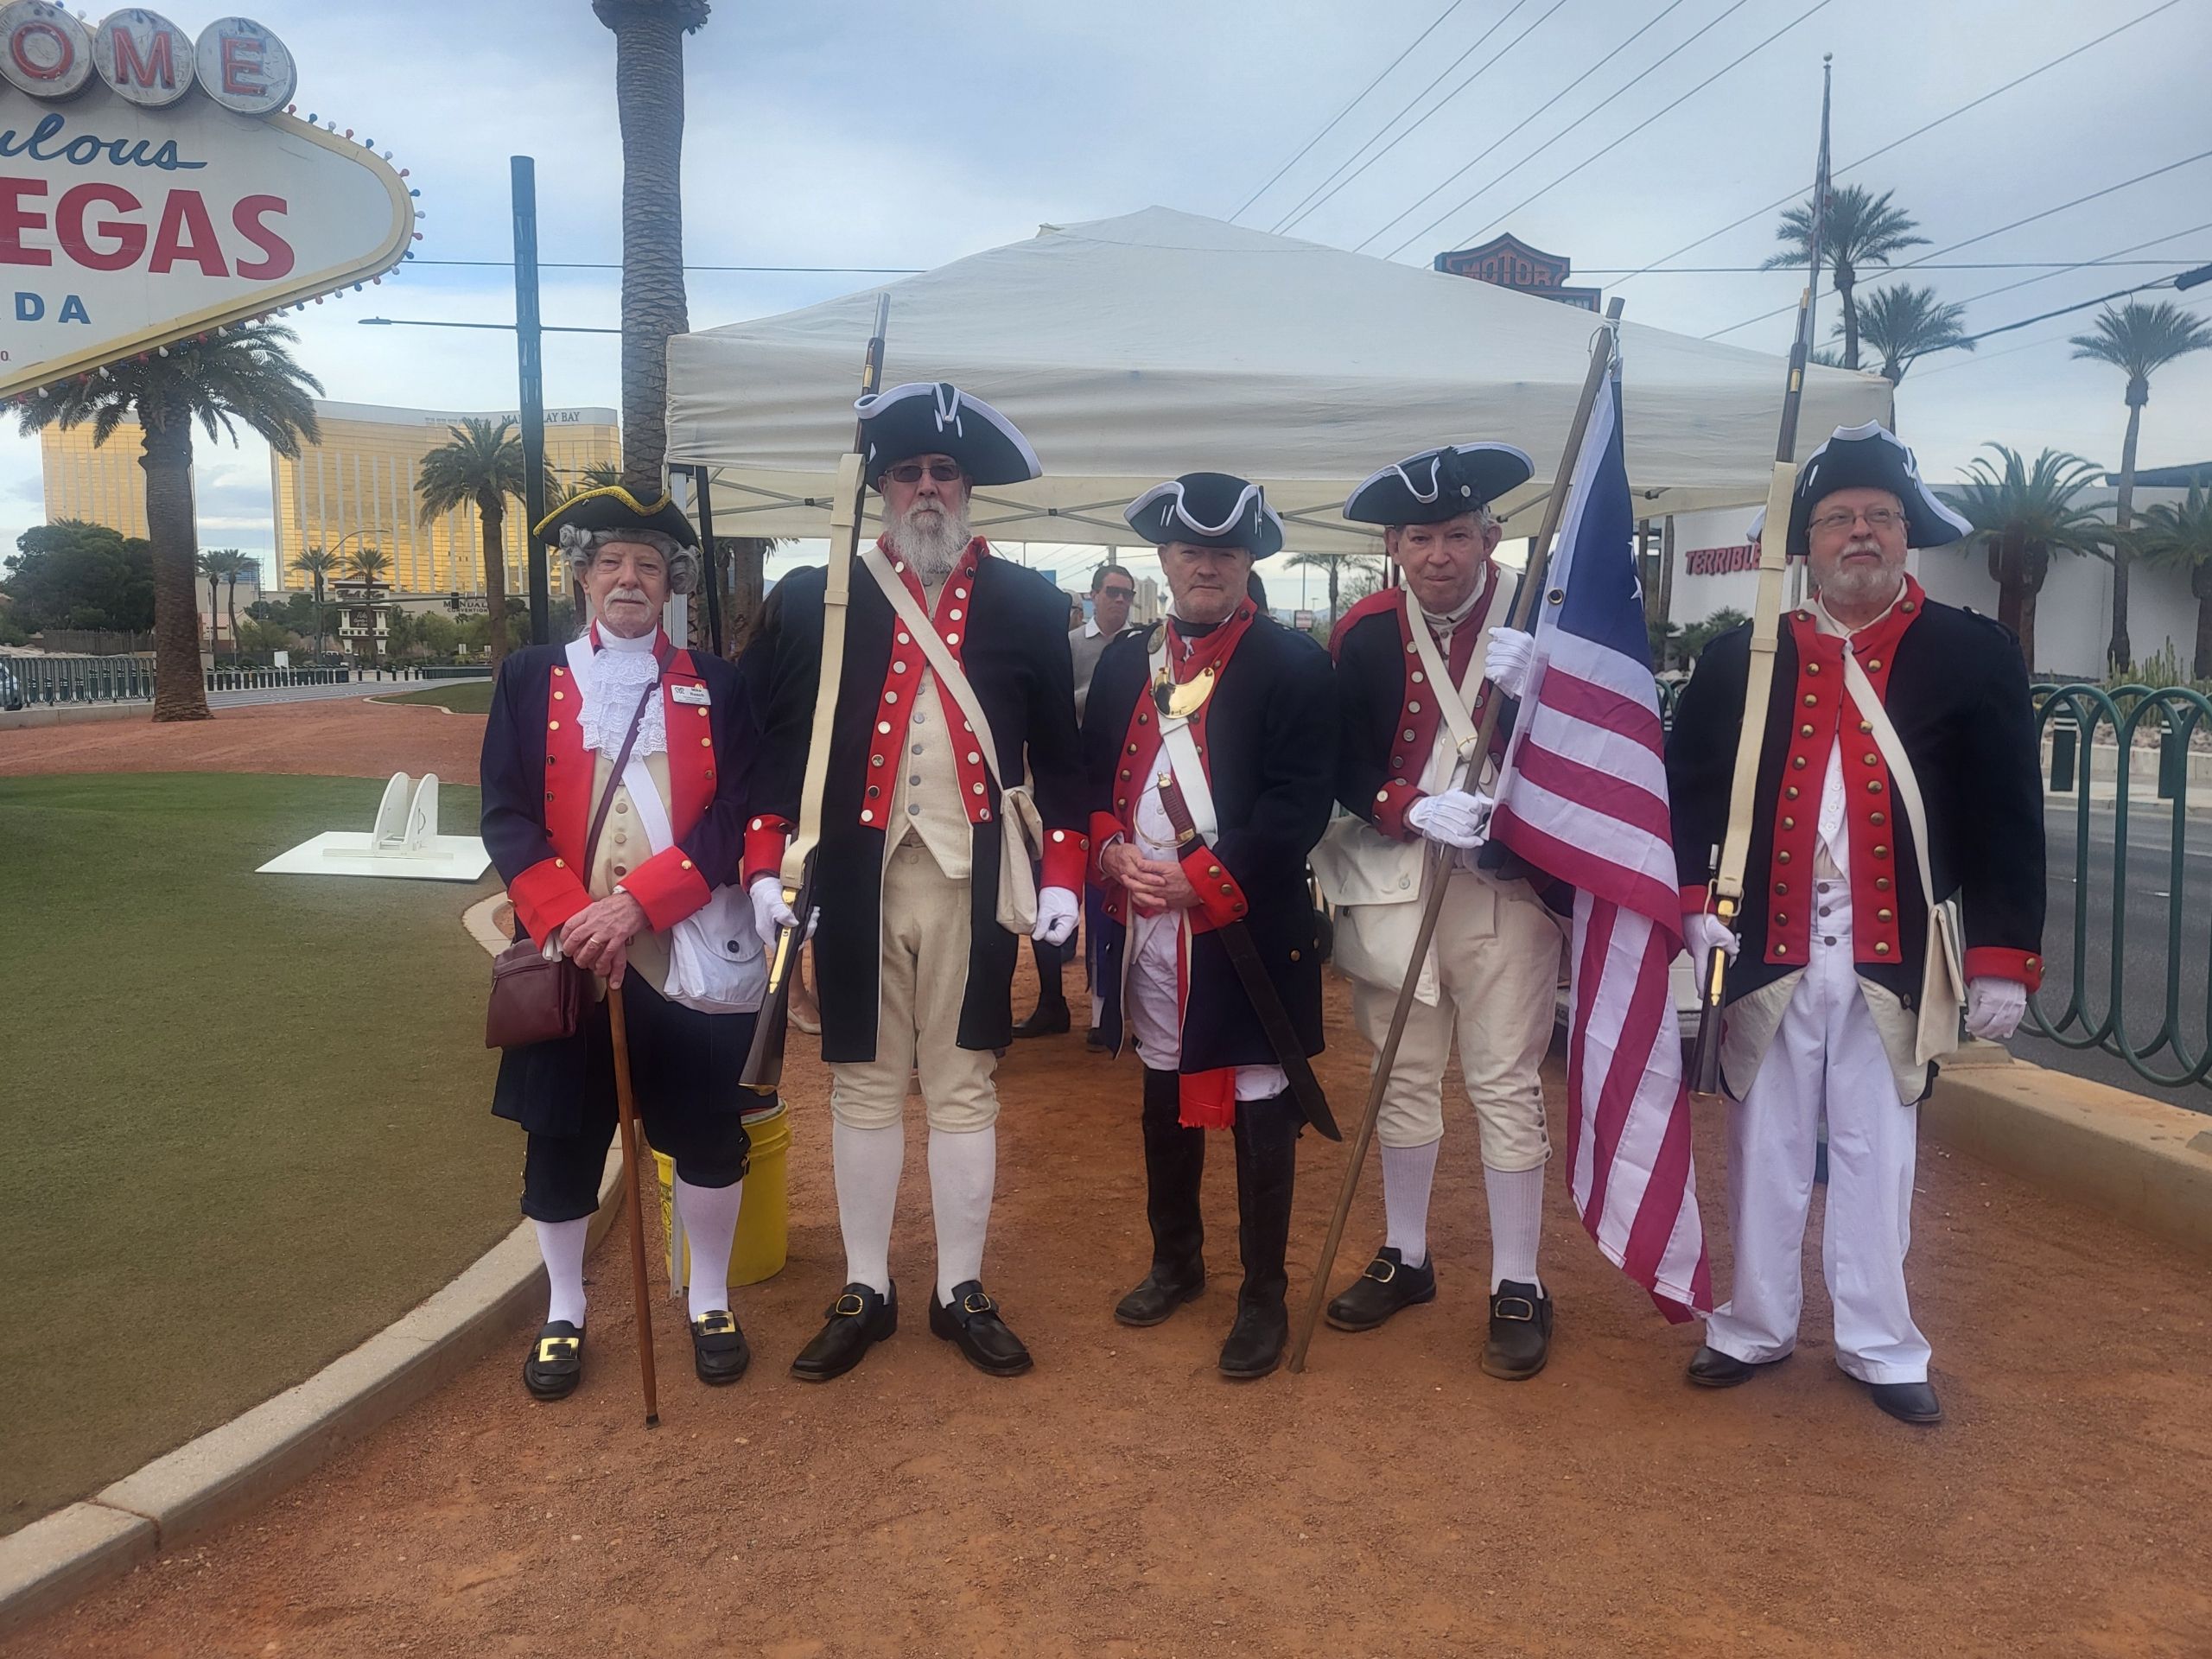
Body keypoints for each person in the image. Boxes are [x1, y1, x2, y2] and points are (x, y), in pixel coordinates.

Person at [1666, 422, 2045, 1426]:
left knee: (1879, 1149)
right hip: (1769, 941)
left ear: (1907, 533)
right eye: (1838, 520)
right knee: (1764, 1143)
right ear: (1805, 544)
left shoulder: (1972, 654)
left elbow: (2009, 814)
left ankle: (1881, 1344)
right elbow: (1692, 793)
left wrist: (2004, 955)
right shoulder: (1741, 657)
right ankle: (1752, 1323)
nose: (1860, 535)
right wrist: (1693, 899)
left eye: (1881, 517)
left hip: (1897, 947)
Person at [744, 381, 1088, 1381]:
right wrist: (766, 860)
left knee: (963, 1085)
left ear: (967, 486)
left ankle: (959, 1289)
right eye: (908, 471)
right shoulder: (817, 597)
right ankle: (867, 1286)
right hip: (852, 877)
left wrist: (1061, 873)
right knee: (861, 1083)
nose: (927, 488)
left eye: (944, 471)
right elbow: (773, 746)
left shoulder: (1029, 601)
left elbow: (1061, 759)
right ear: (880, 485)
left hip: (973, 875)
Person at [480, 486, 764, 1400]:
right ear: (582, 580)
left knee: (709, 1138)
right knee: (560, 1142)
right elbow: (507, 816)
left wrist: (638, 907)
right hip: (571, 957)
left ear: (672, 585)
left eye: (649, 566)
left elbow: (735, 817)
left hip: (680, 952)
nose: (630, 580)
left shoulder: (718, 684)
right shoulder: (530, 676)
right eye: (612, 564)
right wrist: (572, 918)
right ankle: (564, 1310)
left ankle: (709, 1298)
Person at [1310, 442, 1567, 1382]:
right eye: (1419, 538)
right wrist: (1405, 806)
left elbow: (1605, 752)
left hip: (1505, 886)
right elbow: (1338, 757)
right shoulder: (1366, 631)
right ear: (1393, 544)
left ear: (1488, 536)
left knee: (1504, 1084)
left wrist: (1549, 690)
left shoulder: (1546, 617)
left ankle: (1517, 1280)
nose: (1438, 556)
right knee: (1400, 1077)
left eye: (1456, 534)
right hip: (1394, 879)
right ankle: (1406, 1254)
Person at [1086, 472, 1338, 1379]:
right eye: (1190, 551)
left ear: (1247, 562)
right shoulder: (1125, 663)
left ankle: (1261, 1296)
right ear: (1162, 559)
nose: (1205, 566)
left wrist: (1203, 880)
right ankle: (1176, 1260)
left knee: (1261, 1101)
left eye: (1224, 552)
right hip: (1146, 920)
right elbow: (1091, 784)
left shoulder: (1294, 664)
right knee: (1162, 1083)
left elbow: (1297, 804)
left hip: (1244, 926)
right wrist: (1112, 849)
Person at [1020, 562, 1141, 1044]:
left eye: (1128, 594)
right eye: (1113, 592)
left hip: (1119, 785)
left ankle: (1116, 1007)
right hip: (1065, 780)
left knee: (1117, 894)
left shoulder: (1143, 649)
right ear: (1093, 595)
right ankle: (1053, 1000)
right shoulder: (1070, 647)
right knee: (1047, 886)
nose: (1120, 601)